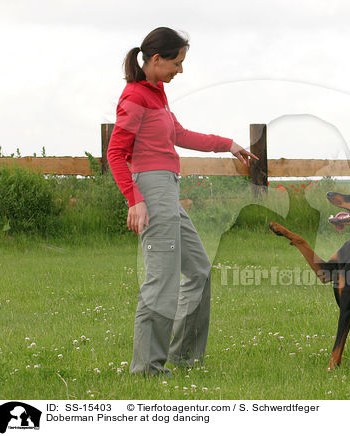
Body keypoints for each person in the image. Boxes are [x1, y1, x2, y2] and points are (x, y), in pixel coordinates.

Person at [107, 27, 256, 376]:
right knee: (162, 280)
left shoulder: (156, 93)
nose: (181, 70)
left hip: (167, 189)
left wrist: (228, 143)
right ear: (156, 59)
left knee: (199, 270)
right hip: (151, 191)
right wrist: (135, 200)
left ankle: (181, 358)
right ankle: (146, 369)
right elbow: (116, 152)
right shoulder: (134, 98)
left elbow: (179, 134)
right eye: (177, 62)